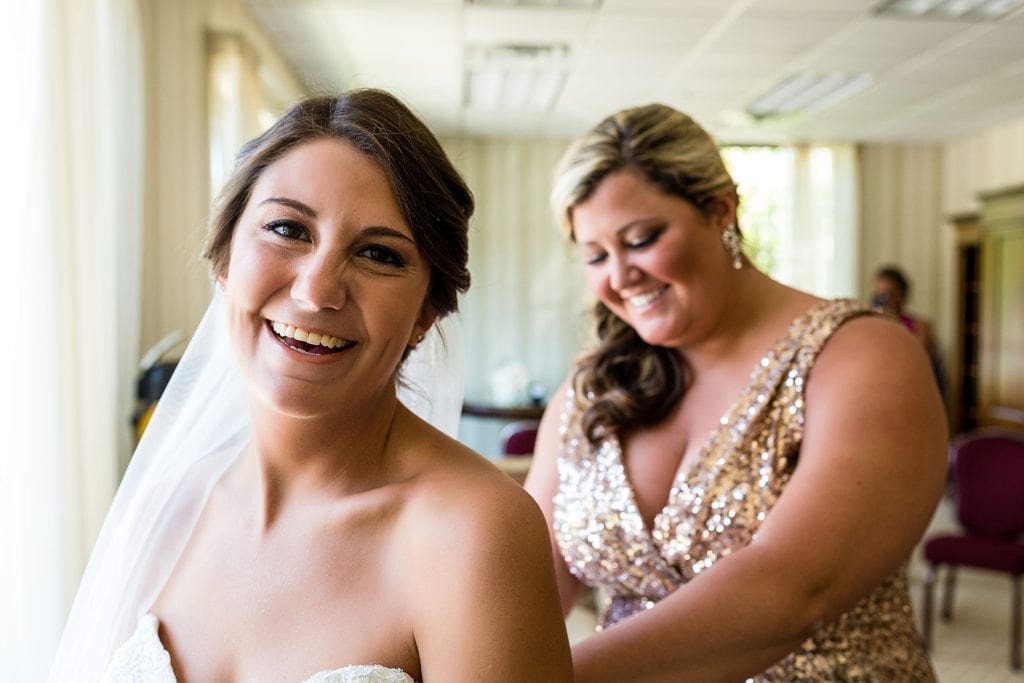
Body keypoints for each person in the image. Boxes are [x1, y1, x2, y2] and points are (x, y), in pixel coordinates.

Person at [50, 89, 572, 682]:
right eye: (287, 228)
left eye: (378, 253)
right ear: (224, 261)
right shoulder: (171, 502)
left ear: (426, 314)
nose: (317, 291)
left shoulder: (475, 534)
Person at [524, 103, 948, 681]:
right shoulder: (593, 382)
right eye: (596, 255)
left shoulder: (863, 356)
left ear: (722, 208)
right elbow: (532, 572)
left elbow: (790, 589)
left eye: (642, 239)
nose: (619, 277)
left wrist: (548, 678)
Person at [871, 264, 945, 393]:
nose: (882, 300)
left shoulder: (921, 326)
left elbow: (919, 363)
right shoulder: (871, 327)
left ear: (902, 295)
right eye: (878, 295)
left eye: (888, 294)